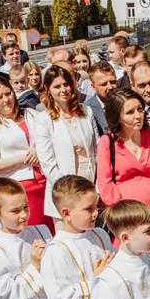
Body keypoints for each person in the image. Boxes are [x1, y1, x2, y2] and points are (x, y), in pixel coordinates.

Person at [96, 89, 150, 263]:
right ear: (117, 116)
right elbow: (105, 184)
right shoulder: (107, 142)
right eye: (130, 112)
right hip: (126, 220)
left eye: (139, 109)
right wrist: (127, 215)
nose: (138, 115)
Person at [40, 175, 114, 299]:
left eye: (96, 206)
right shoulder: (56, 251)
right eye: (89, 209)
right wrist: (96, 281)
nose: (96, 213)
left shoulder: (100, 235)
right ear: (66, 213)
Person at [0, 74, 51, 229]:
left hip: (46, 181)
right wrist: (25, 157)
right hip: (19, 188)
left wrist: (40, 152)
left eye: (8, 93)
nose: (5, 100)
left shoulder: (32, 114)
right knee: (33, 232)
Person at [34, 65, 100, 221]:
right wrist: (69, 193)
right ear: (47, 88)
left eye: (66, 84)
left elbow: (97, 150)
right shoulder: (44, 119)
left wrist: (96, 187)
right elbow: (48, 163)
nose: (63, 90)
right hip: (64, 190)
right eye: (57, 86)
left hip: (90, 184)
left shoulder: (87, 112)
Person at [0, 177, 50, 299]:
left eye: (26, 207)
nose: (24, 215)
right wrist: (35, 266)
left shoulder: (42, 232)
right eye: (15, 211)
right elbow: (8, 295)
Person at [85, 61, 118, 135]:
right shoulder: (87, 110)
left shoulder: (126, 102)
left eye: (112, 82)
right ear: (93, 87)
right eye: (104, 84)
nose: (110, 87)